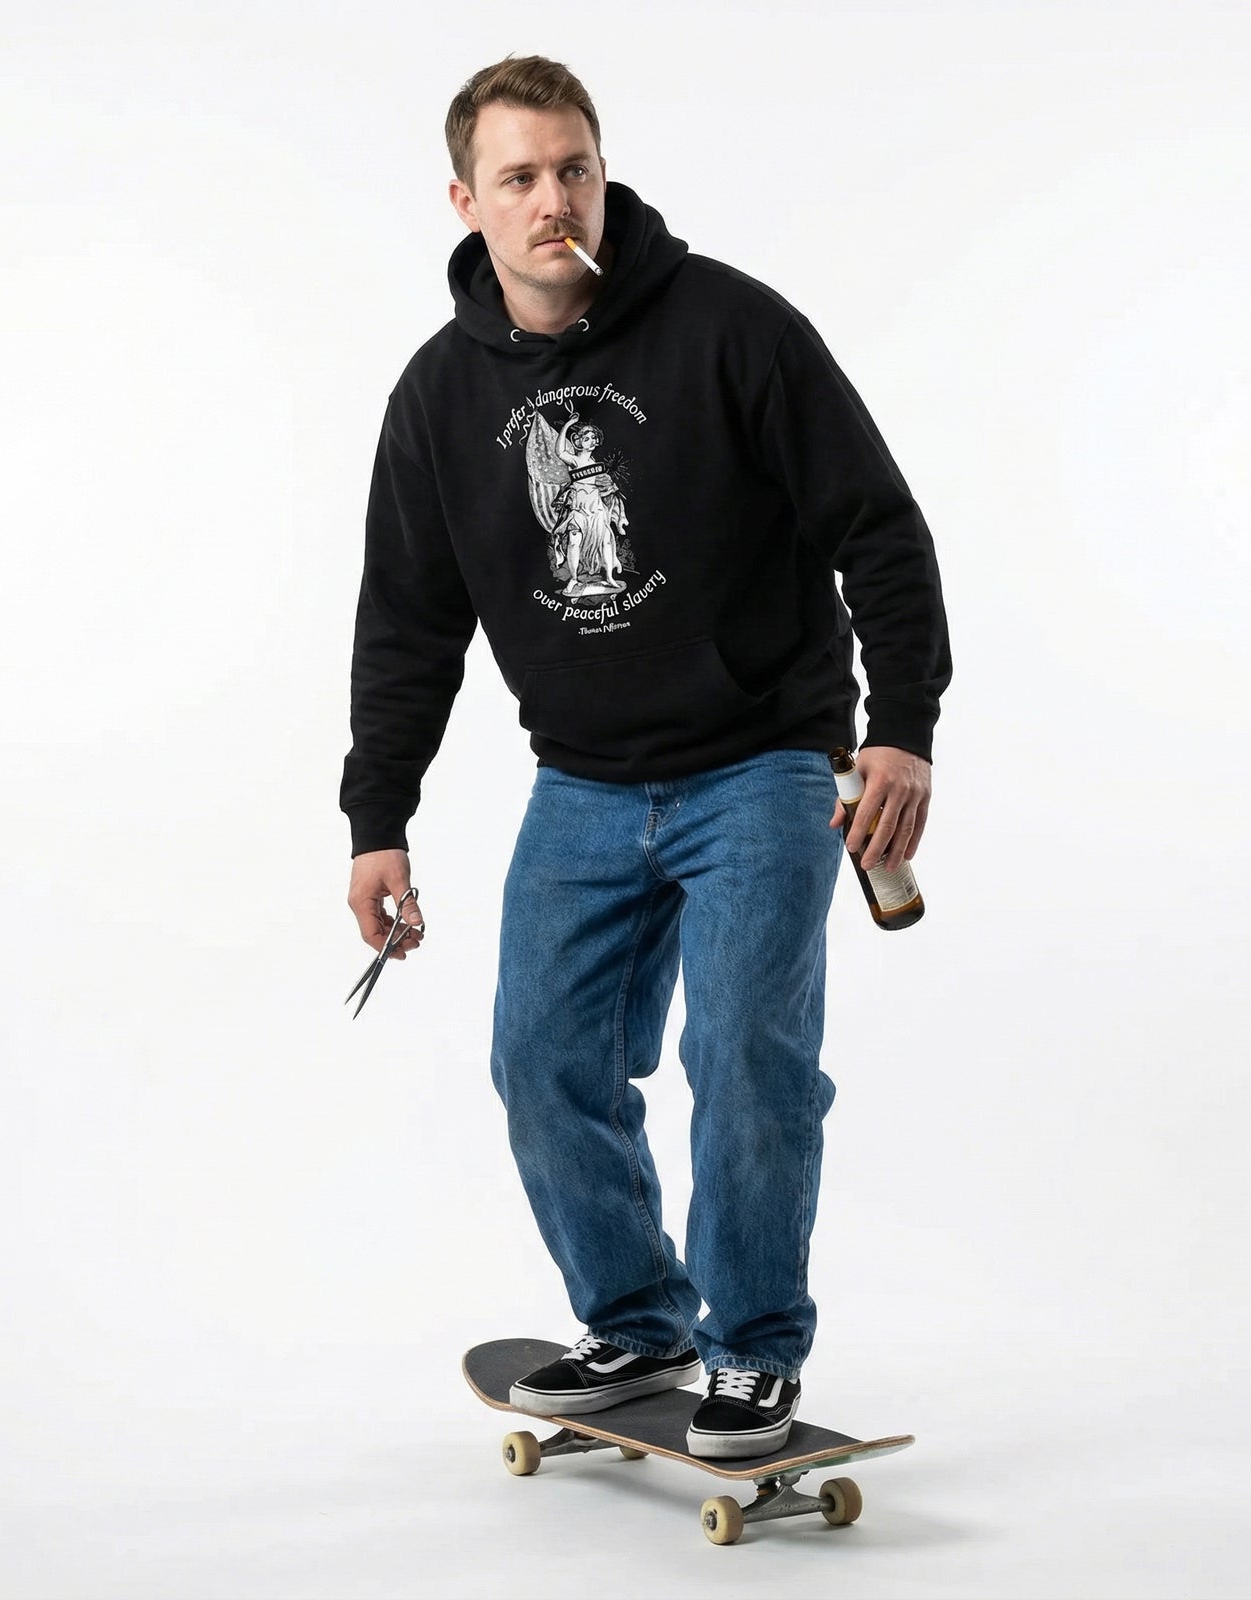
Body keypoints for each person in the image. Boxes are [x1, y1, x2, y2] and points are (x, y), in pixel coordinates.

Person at [341, 55, 950, 1459]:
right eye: (520, 178)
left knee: (746, 1054)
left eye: (575, 168)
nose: (555, 200)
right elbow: (407, 626)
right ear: (464, 200)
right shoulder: (438, 399)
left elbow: (881, 530)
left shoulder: (731, 328)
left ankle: (753, 1351)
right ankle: (635, 1321)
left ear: (602, 172)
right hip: (585, 781)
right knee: (542, 1058)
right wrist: (380, 819)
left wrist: (901, 724)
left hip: (761, 767)